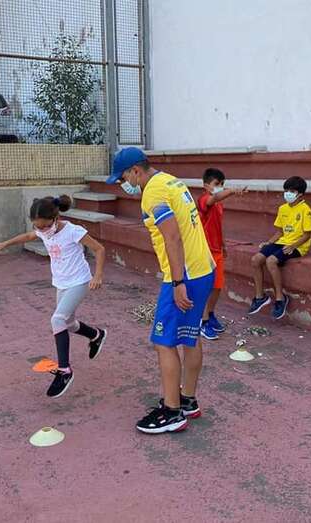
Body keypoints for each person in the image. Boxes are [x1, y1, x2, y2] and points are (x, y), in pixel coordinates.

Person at [107, 147, 214, 434]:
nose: (123, 184)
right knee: (190, 336)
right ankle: (187, 399)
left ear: (135, 171)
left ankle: (171, 412)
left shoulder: (153, 192)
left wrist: (178, 283)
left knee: (164, 341)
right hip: (203, 268)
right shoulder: (171, 181)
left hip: (184, 275)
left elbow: (172, 237)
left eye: (123, 178)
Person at [0, 195, 108, 398]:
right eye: (38, 227)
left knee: (57, 320)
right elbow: (28, 237)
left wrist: (97, 276)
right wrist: (5, 243)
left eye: (45, 226)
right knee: (68, 323)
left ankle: (65, 371)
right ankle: (96, 335)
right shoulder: (42, 230)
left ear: (55, 218)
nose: (42, 230)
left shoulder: (73, 231)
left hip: (79, 281)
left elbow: (99, 249)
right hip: (61, 283)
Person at [248, 176, 311, 320]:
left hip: (298, 245)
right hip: (282, 242)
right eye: (286, 191)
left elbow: (307, 235)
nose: (288, 194)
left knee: (271, 261)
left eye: (292, 191)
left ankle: (280, 298)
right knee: (256, 260)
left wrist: (292, 246)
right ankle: (260, 297)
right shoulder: (282, 208)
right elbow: (280, 232)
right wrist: (269, 242)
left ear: (300, 194)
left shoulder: (305, 210)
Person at [197, 167, 247, 340]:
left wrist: (223, 244)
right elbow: (214, 198)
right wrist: (231, 191)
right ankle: (202, 321)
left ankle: (210, 314)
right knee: (206, 287)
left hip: (217, 249)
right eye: (217, 184)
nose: (220, 187)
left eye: (222, 184)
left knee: (217, 286)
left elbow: (218, 226)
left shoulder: (219, 205)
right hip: (205, 251)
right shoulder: (204, 200)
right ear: (206, 186)